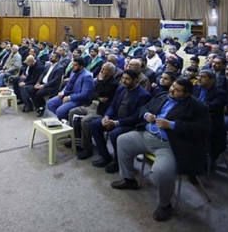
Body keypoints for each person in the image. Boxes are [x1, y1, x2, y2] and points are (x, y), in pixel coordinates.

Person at [111, 78, 211, 222]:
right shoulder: (163, 95)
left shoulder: (198, 107)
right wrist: (146, 115)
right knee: (122, 140)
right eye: (172, 86)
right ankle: (129, 179)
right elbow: (143, 108)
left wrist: (172, 125)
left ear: (187, 94)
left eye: (177, 90)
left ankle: (165, 205)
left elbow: (203, 129)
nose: (172, 90)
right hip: (147, 135)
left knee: (161, 172)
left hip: (169, 144)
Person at [88, 69, 151, 173]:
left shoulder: (143, 95)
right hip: (115, 118)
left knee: (115, 134)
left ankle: (117, 162)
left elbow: (137, 117)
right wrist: (107, 116)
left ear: (136, 80)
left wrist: (116, 123)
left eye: (127, 79)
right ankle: (105, 157)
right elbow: (113, 105)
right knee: (94, 125)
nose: (124, 81)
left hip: (129, 123)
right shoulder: (121, 88)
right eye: (123, 78)